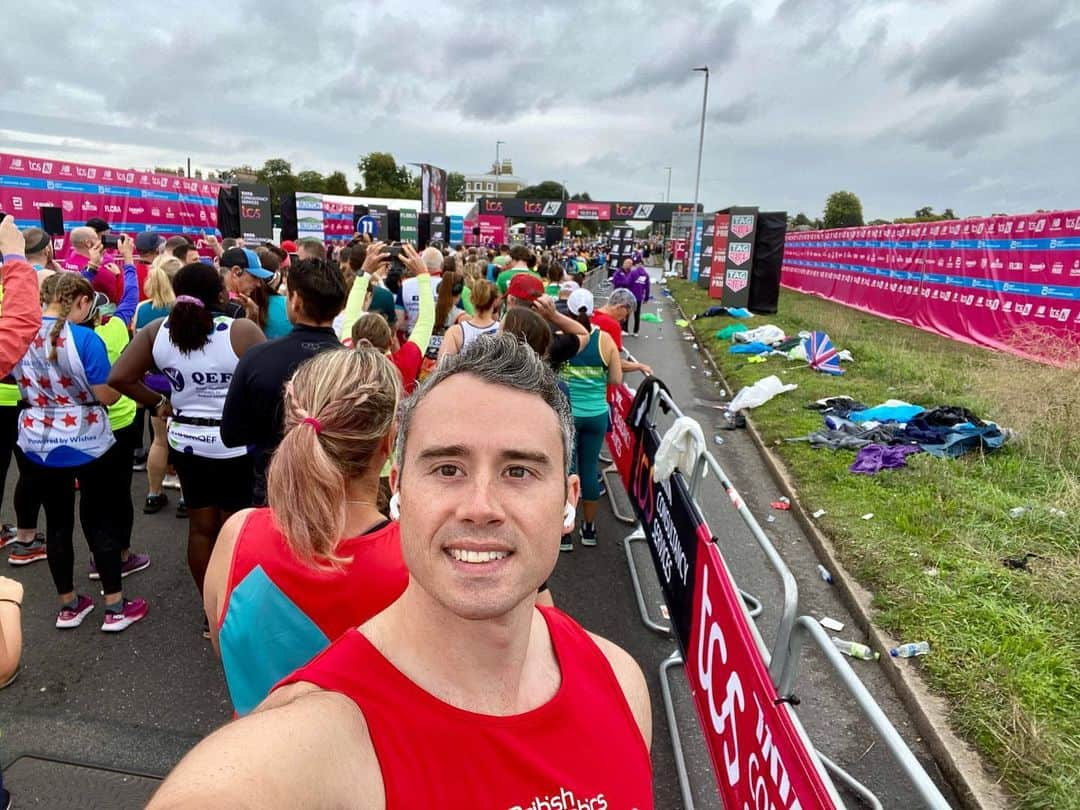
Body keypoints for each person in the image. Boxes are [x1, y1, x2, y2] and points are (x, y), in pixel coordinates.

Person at [148, 334, 652, 809]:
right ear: (400, 491)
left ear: (567, 500)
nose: (481, 507)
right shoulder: (319, 739)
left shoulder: (622, 683)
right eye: (447, 468)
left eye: (518, 471)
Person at [206, 348, 407, 715]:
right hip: (365, 770)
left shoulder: (237, 534)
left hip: (245, 760)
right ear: (389, 442)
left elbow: (227, 650)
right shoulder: (414, 567)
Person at [108, 263, 265, 636]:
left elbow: (119, 377)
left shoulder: (156, 331)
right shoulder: (239, 330)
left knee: (201, 528)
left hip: (188, 444)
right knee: (235, 531)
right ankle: (235, 611)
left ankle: (210, 612)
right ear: (221, 295)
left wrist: (159, 402)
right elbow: (270, 378)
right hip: (234, 445)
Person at [13, 271, 148, 630]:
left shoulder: (17, 335)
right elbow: (107, 394)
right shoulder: (85, 338)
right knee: (99, 518)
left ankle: (68, 605)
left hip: (38, 440)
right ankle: (115, 607)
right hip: (88, 439)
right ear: (82, 302)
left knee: (57, 523)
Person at [221, 258, 347, 506]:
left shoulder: (257, 358)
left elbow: (231, 434)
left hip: (273, 487)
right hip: (335, 490)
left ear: (295, 300)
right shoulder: (357, 368)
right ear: (341, 306)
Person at [559, 288, 622, 551]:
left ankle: (564, 532)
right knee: (588, 470)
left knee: (567, 471)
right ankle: (589, 529)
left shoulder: (562, 339)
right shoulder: (604, 339)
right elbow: (616, 379)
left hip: (567, 414)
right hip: (596, 414)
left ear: (569, 310)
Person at [0, 218, 44, 560]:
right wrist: (15, 261)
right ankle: (27, 540)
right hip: (17, 396)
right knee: (29, 471)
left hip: (18, 393)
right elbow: (19, 326)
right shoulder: (17, 278)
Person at [591, 288, 653, 377]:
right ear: (621, 307)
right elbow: (614, 363)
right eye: (627, 314)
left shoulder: (590, 315)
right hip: (601, 382)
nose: (624, 319)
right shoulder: (613, 325)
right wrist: (639, 366)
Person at [436, 279, 499, 360]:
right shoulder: (503, 330)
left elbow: (443, 366)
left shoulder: (455, 332)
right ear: (496, 301)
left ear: (471, 299)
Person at [61, 226, 121, 302]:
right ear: (88, 243)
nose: (100, 241)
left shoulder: (65, 263)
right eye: (96, 238)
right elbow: (117, 295)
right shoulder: (101, 270)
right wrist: (118, 275)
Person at [219, 247, 272, 320]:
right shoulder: (235, 308)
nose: (258, 284)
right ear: (236, 271)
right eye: (254, 277)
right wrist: (252, 317)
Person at [611, 258, 650, 335]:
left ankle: (625, 329)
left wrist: (626, 283)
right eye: (629, 264)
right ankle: (636, 331)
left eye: (632, 264)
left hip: (630, 296)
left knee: (627, 312)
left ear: (636, 265)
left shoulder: (633, 273)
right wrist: (646, 298)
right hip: (638, 297)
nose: (631, 266)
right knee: (637, 313)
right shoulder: (646, 275)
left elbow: (627, 282)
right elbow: (647, 287)